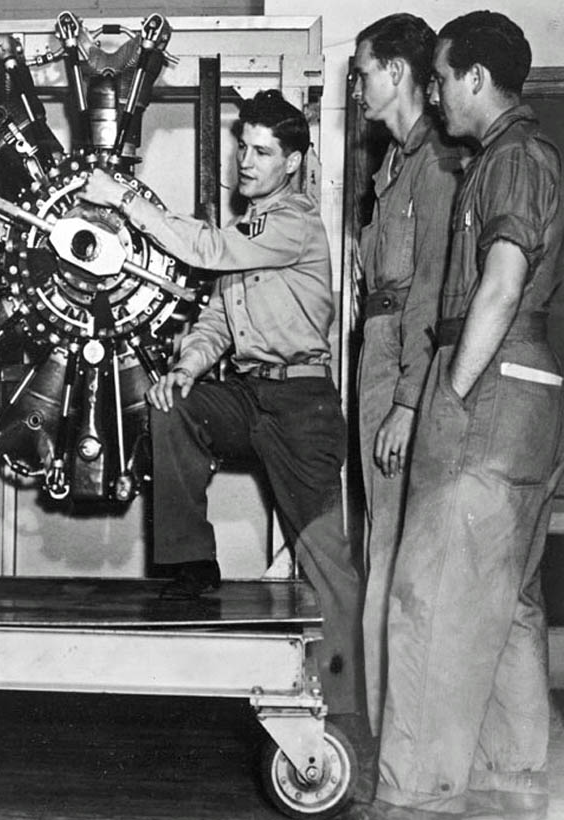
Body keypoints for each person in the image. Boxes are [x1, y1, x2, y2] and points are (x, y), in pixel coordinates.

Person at [78, 90, 363, 726]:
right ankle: (191, 564)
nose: (247, 160)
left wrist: (121, 198)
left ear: (292, 162)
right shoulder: (248, 230)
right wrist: (184, 368)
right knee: (171, 406)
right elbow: (216, 316)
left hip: (300, 404)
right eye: (243, 146)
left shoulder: (292, 221)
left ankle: (348, 714)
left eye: (263, 151)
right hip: (247, 394)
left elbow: (207, 252)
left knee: (328, 564)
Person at [353, 12, 564, 820]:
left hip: (490, 378)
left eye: (439, 79)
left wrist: (452, 390)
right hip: (530, 384)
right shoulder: (518, 157)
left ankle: (414, 797)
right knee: (507, 596)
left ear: (477, 78)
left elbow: (502, 284)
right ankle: (515, 775)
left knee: (429, 598)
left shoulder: (511, 158)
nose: (432, 95)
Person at [349, 13, 465, 740]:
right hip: (379, 349)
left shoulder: (436, 164)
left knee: (398, 553)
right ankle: (386, 721)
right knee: (381, 549)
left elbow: (431, 290)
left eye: (361, 72)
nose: (356, 86)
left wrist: (405, 402)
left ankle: (400, 730)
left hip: (402, 363)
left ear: (395, 73)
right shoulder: (392, 165)